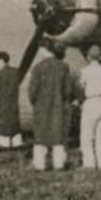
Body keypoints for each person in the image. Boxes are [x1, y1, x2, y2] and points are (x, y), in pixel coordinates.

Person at [26, 42, 75, 170]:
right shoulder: (63, 67)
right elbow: (68, 90)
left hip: (41, 108)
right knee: (58, 136)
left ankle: (39, 164)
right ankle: (59, 164)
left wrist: (36, 103)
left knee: (40, 137)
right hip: (59, 107)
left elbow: (32, 91)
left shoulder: (37, 68)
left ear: (43, 50)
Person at [0, 51, 23, 149]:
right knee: (14, 123)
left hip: (0, 105)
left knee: (2, 127)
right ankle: (17, 143)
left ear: (2, 60)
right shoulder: (15, 72)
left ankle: (4, 145)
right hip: (13, 104)